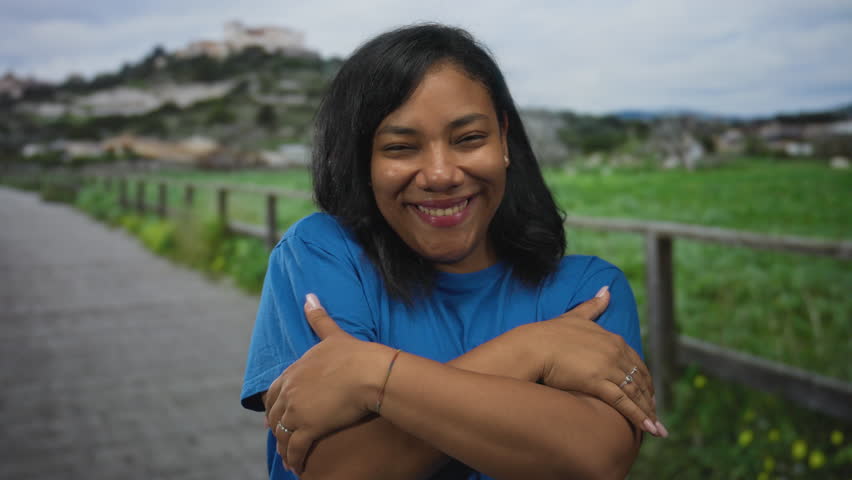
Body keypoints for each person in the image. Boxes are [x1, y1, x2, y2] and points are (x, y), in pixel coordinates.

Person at [241, 23, 666, 480]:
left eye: (468, 139)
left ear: (504, 139)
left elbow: (596, 455)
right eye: (401, 147)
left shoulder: (586, 291)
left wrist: (371, 374)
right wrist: (530, 351)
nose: (441, 174)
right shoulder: (322, 254)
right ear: (363, 161)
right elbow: (332, 469)